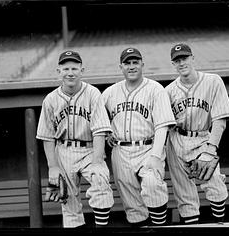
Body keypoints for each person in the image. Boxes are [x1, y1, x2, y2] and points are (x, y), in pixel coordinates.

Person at [36, 50, 114, 228]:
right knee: (69, 203)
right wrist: (53, 167)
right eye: (65, 68)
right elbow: (47, 136)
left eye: (74, 68)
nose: (70, 72)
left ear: (82, 70)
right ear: (59, 71)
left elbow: (100, 131)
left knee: (101, 180)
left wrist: (97, 161)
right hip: (63, 151)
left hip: (90, 149)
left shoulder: (93, 94)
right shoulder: (50, 99)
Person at [102, 47, 176, 227]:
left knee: (152, 185)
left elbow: (162, 125)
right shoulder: (110, 93)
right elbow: (97, 119)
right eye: (127, 63)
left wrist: (156, 155)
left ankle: (159, 227)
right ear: (121, 66)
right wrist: (106, 134)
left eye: (135, 62)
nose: (132, 66)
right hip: (120, 150)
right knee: (132, 205)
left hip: (148, 147)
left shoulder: (155, 89)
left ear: (142, 64)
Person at [165, 43, 229, 224]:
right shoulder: (169, 91)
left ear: (192, 58)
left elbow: (220, 120)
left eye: (184, 58)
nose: (181, 63)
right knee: (184, 195)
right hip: (176, 140)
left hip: (203, 138)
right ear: (173, 64)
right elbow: (161, 123)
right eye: (177, 60)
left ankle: (219, 223)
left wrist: (210, 150)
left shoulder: (213, 81)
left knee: (215, 184)